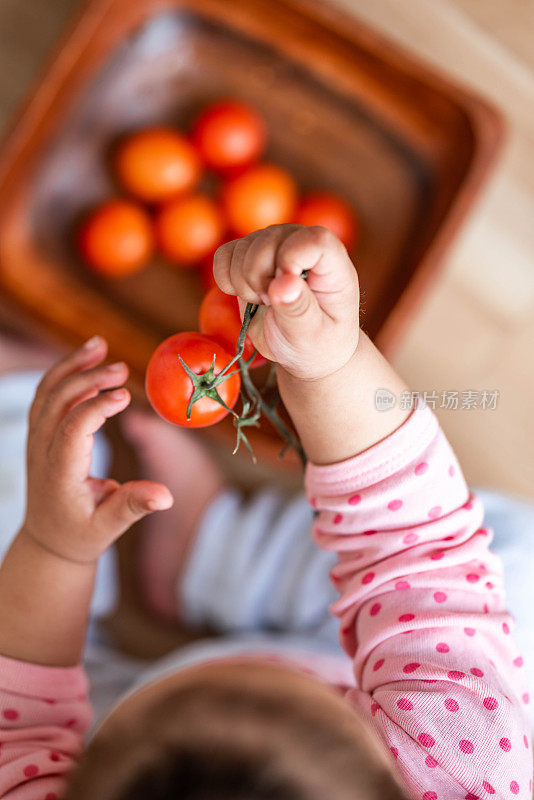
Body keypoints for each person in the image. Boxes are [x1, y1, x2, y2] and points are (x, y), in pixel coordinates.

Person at [0, 224, 531, 799]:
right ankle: (214, 551)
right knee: (514, 556)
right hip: (354, 670)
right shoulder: (465, 767)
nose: (227, 673)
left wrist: (54, 546)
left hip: (108, 716)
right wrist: (330, 363)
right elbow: (413, 545)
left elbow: (19, 711)